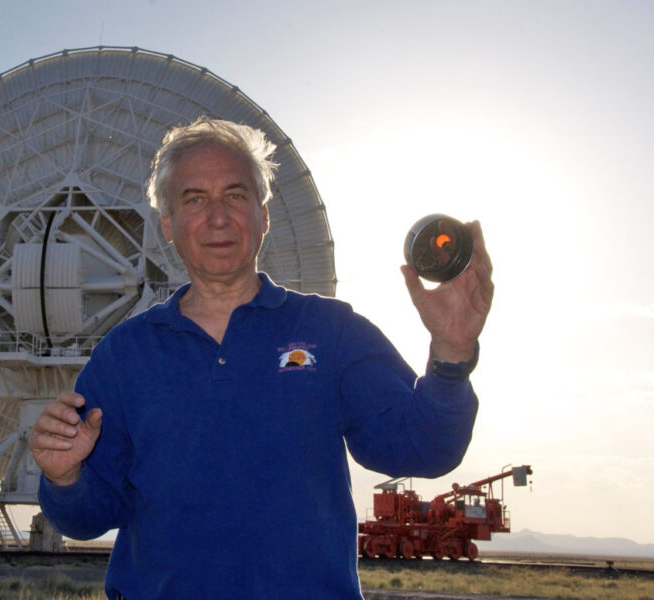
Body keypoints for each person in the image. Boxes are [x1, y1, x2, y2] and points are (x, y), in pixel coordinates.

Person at [29, 117, 494, 599]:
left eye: (236, 195)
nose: (217, 217)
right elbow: (87, 518)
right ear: (167, 225)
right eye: (194, 199)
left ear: (264, 215)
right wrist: (65, 478)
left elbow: (423, 449)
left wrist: (451, 353)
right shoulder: (125, 356)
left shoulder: (331, 333)